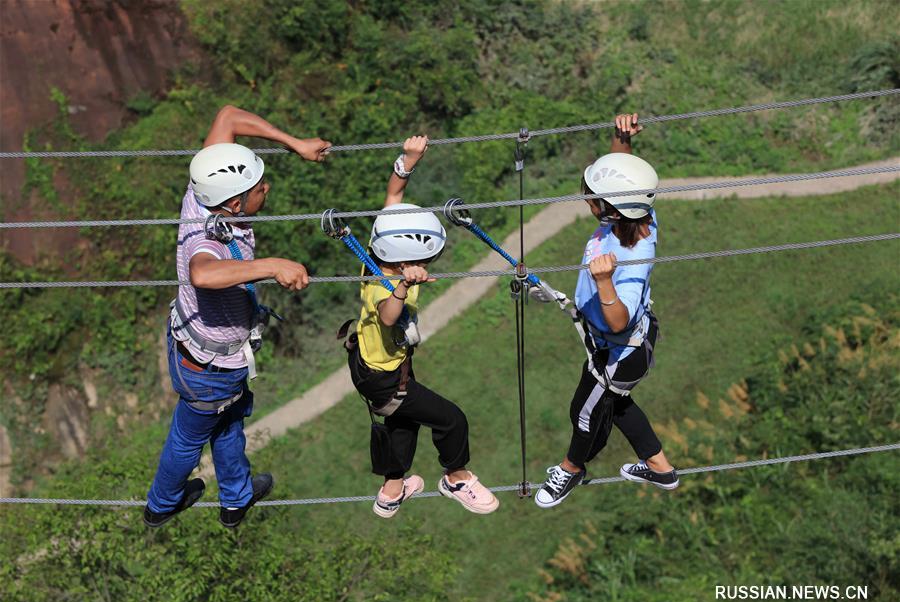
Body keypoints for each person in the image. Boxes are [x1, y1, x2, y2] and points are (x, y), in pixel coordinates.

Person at [144, 105, 330, 528]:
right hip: (210, 366)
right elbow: (203, 273)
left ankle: (235, 499)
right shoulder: (207, 241)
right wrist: (272, 265)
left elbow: (227, 115)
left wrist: (295, 143)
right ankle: (161, 504)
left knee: (228, 424)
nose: (267, 187)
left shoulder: (200, 191)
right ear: (235, 201)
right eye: (258, 186)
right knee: (189, 437)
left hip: (193, 347)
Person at [345, 136, 499, 518]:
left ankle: (392, 490)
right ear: (407, 259)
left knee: (404, 418)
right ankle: (457, 477)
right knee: (451, 419)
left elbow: (393, 199)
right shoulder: (388, 286)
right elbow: (388, 316)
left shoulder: (377, 250)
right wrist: (403, 286)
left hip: (374, 368)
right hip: (382, 377)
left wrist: (408, 161)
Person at [534, 113, 679, 509]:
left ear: (608, 210)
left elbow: (620, 318)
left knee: (584, 412)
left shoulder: (632, 255)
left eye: (590, 197)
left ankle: (572, 469)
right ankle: (660, 468)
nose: (586, 199)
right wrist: (622, 140)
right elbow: (623, 182)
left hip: (619, 351)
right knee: (614, 404)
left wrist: (603, 284)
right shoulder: (636, 218)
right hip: (619, 348)